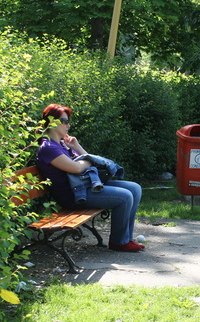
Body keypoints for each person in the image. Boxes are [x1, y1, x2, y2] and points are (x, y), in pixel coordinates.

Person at [36, 104, 144, 252]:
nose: (68, 125)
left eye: (68, 121)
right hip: (73, 195)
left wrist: (77, 146)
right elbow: (76, 167)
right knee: (125, 197)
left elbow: (85, 159)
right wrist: (88, 161)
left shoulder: (61, 144)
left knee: (135, 188)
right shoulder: (48, 147)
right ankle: (119, 242)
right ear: (52, 122)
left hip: (82, 187)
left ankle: (126, 238)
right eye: (64, 121)